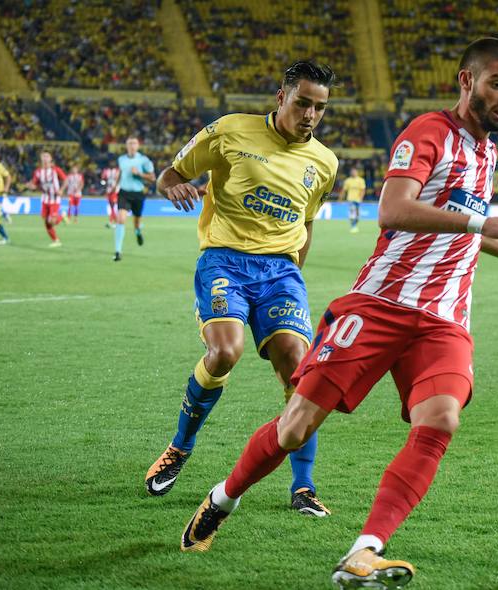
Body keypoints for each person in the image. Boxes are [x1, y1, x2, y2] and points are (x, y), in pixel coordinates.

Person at [177, 38, 498, 589]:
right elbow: (394, 209)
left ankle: (364, 551)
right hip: (380, 304)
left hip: (444, 319)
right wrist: (485, 224)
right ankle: (222, 499)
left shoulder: (488, 155)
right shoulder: (428, 132)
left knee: (441, 420)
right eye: (497, 83)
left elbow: (456, 225)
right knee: (295, 427)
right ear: (467, 81)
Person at [147, 61, 338, 519]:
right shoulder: (230, 131)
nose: (310, 115)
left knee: (299, 372)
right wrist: (174, 187)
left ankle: (304, 486)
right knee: (224, 353)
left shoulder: (325, 163)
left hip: (281, 273)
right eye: (303, 103)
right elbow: (169, 175)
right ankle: (179, 447)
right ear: (281, 97)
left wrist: (293, 274)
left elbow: (307, 221)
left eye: (319, 107)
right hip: (225, 261)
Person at [114, 137, 155, 261]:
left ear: (138, 146)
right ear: (126, 146)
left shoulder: (144, 160)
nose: (132, 146)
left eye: (134, 143)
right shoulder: (121, 159)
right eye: (130, 143)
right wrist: (115, 186)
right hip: (124, 193)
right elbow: (121, 173)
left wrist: (139, 174)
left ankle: (137, 232)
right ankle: (118, 251)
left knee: (136, 222)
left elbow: (152, 178)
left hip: (138, 193)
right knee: (121, 219)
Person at [30, 151, 68, 247]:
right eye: (43, 156)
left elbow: (66, 180)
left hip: (54, 199)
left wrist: (61, 190)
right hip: (45, 199)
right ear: (41, 159)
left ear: (51, 159)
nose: (45, 158)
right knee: (46, 222)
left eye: (47, 156)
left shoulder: (56, 170)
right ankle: (56, 241)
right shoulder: (38, 172)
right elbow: (34, 184)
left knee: (52, 221)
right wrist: (32, 186)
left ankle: (61, 217)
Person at [340, 167, 366, 233]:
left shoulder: (361, 180)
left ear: (357, 172)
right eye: (352, 172)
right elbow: (344, 190)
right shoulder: (348, 181)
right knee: (352, 212)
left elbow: (363, 190)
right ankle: (353, 226)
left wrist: (361, 198)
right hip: (350, 199)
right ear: (350, 173)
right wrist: (341, 198)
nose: (353, 173)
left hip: (358, 200)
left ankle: (355, 224)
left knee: (357, 215)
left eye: (354, 172)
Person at [101, 158, 121, 228]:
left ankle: (115, 221)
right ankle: (113, 221)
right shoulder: (106, 171)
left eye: (113, 163)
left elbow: (118, 179)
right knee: (111, 206)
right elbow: (103, 180)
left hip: (115, 190)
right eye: (111, 163)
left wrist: (115, 187)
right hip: (109, 190)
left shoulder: (117, 171)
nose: (112, 164)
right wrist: (104, 183)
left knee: (114, 205)